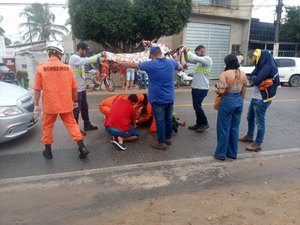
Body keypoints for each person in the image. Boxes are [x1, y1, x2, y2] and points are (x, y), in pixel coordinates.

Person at [117, 46, 183, 150]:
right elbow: (180, 67)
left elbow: (133, 65)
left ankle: (161, 143)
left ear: (152, 55)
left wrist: (121, 62)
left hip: (158, 98)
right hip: (169, 97)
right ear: (160, 53)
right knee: (168, 118)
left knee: (160, 121)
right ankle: (168, 138)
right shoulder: (171, 62)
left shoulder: (150, 64)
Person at [33, 42, 89, 159]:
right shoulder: (67, 68)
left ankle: (48, 151)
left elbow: (37, 89)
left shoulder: (41, 68)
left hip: (49, 105)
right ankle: (82, 147)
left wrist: (37, 105)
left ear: (49, 53)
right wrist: (75, 101)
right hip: (65, 103)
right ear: (59, 54)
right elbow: (74, 88)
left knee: (47, 126)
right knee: (72, 125)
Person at [239, 49, 280, 152]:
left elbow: (255, 80)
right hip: (256, 96)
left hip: (263, 99)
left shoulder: (269, 67)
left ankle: (258, 143)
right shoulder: (261, 66)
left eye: (258, 57)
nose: (256, 59)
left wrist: (255, 79)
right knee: (250, 117)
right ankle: (249, 135)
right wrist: (255, 78)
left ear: (263, 57)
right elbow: (252, 76)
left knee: (259, 122)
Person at [214, 54, 247, 161]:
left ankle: (220, 154)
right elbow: (244, 91)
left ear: (227, 63)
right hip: (239, 101)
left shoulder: (225, 74)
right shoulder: (243, 74)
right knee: (234, 128)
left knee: (223, 128)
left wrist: (216, 89)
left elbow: (221, 91)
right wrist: (239, 99)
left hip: (228, 101)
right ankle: (232, 153)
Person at [69, 42, 102, 134]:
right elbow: (86, 61)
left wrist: (94, 72)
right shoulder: (74, 58)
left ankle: (87, 125)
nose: (86, 52)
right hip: (76, 90)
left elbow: (83, 70)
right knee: (76, 111)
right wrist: (99, 55)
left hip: (82, 89)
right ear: (80, 49)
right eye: (85, 50)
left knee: (84, 108)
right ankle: (75, 130)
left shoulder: (79, 59)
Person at [184, 45, 213, 133]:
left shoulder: (207, 59)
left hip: (202, 88)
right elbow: (188, 59)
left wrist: (187, 51)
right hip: (196, 87)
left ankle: (204, 123)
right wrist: (185, 53)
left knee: (197, 106)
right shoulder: (199, 61)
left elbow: (194, 57)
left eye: (197, 53)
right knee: (196, 106)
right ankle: (199, 123)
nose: (196, 54)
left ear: (202, 51)